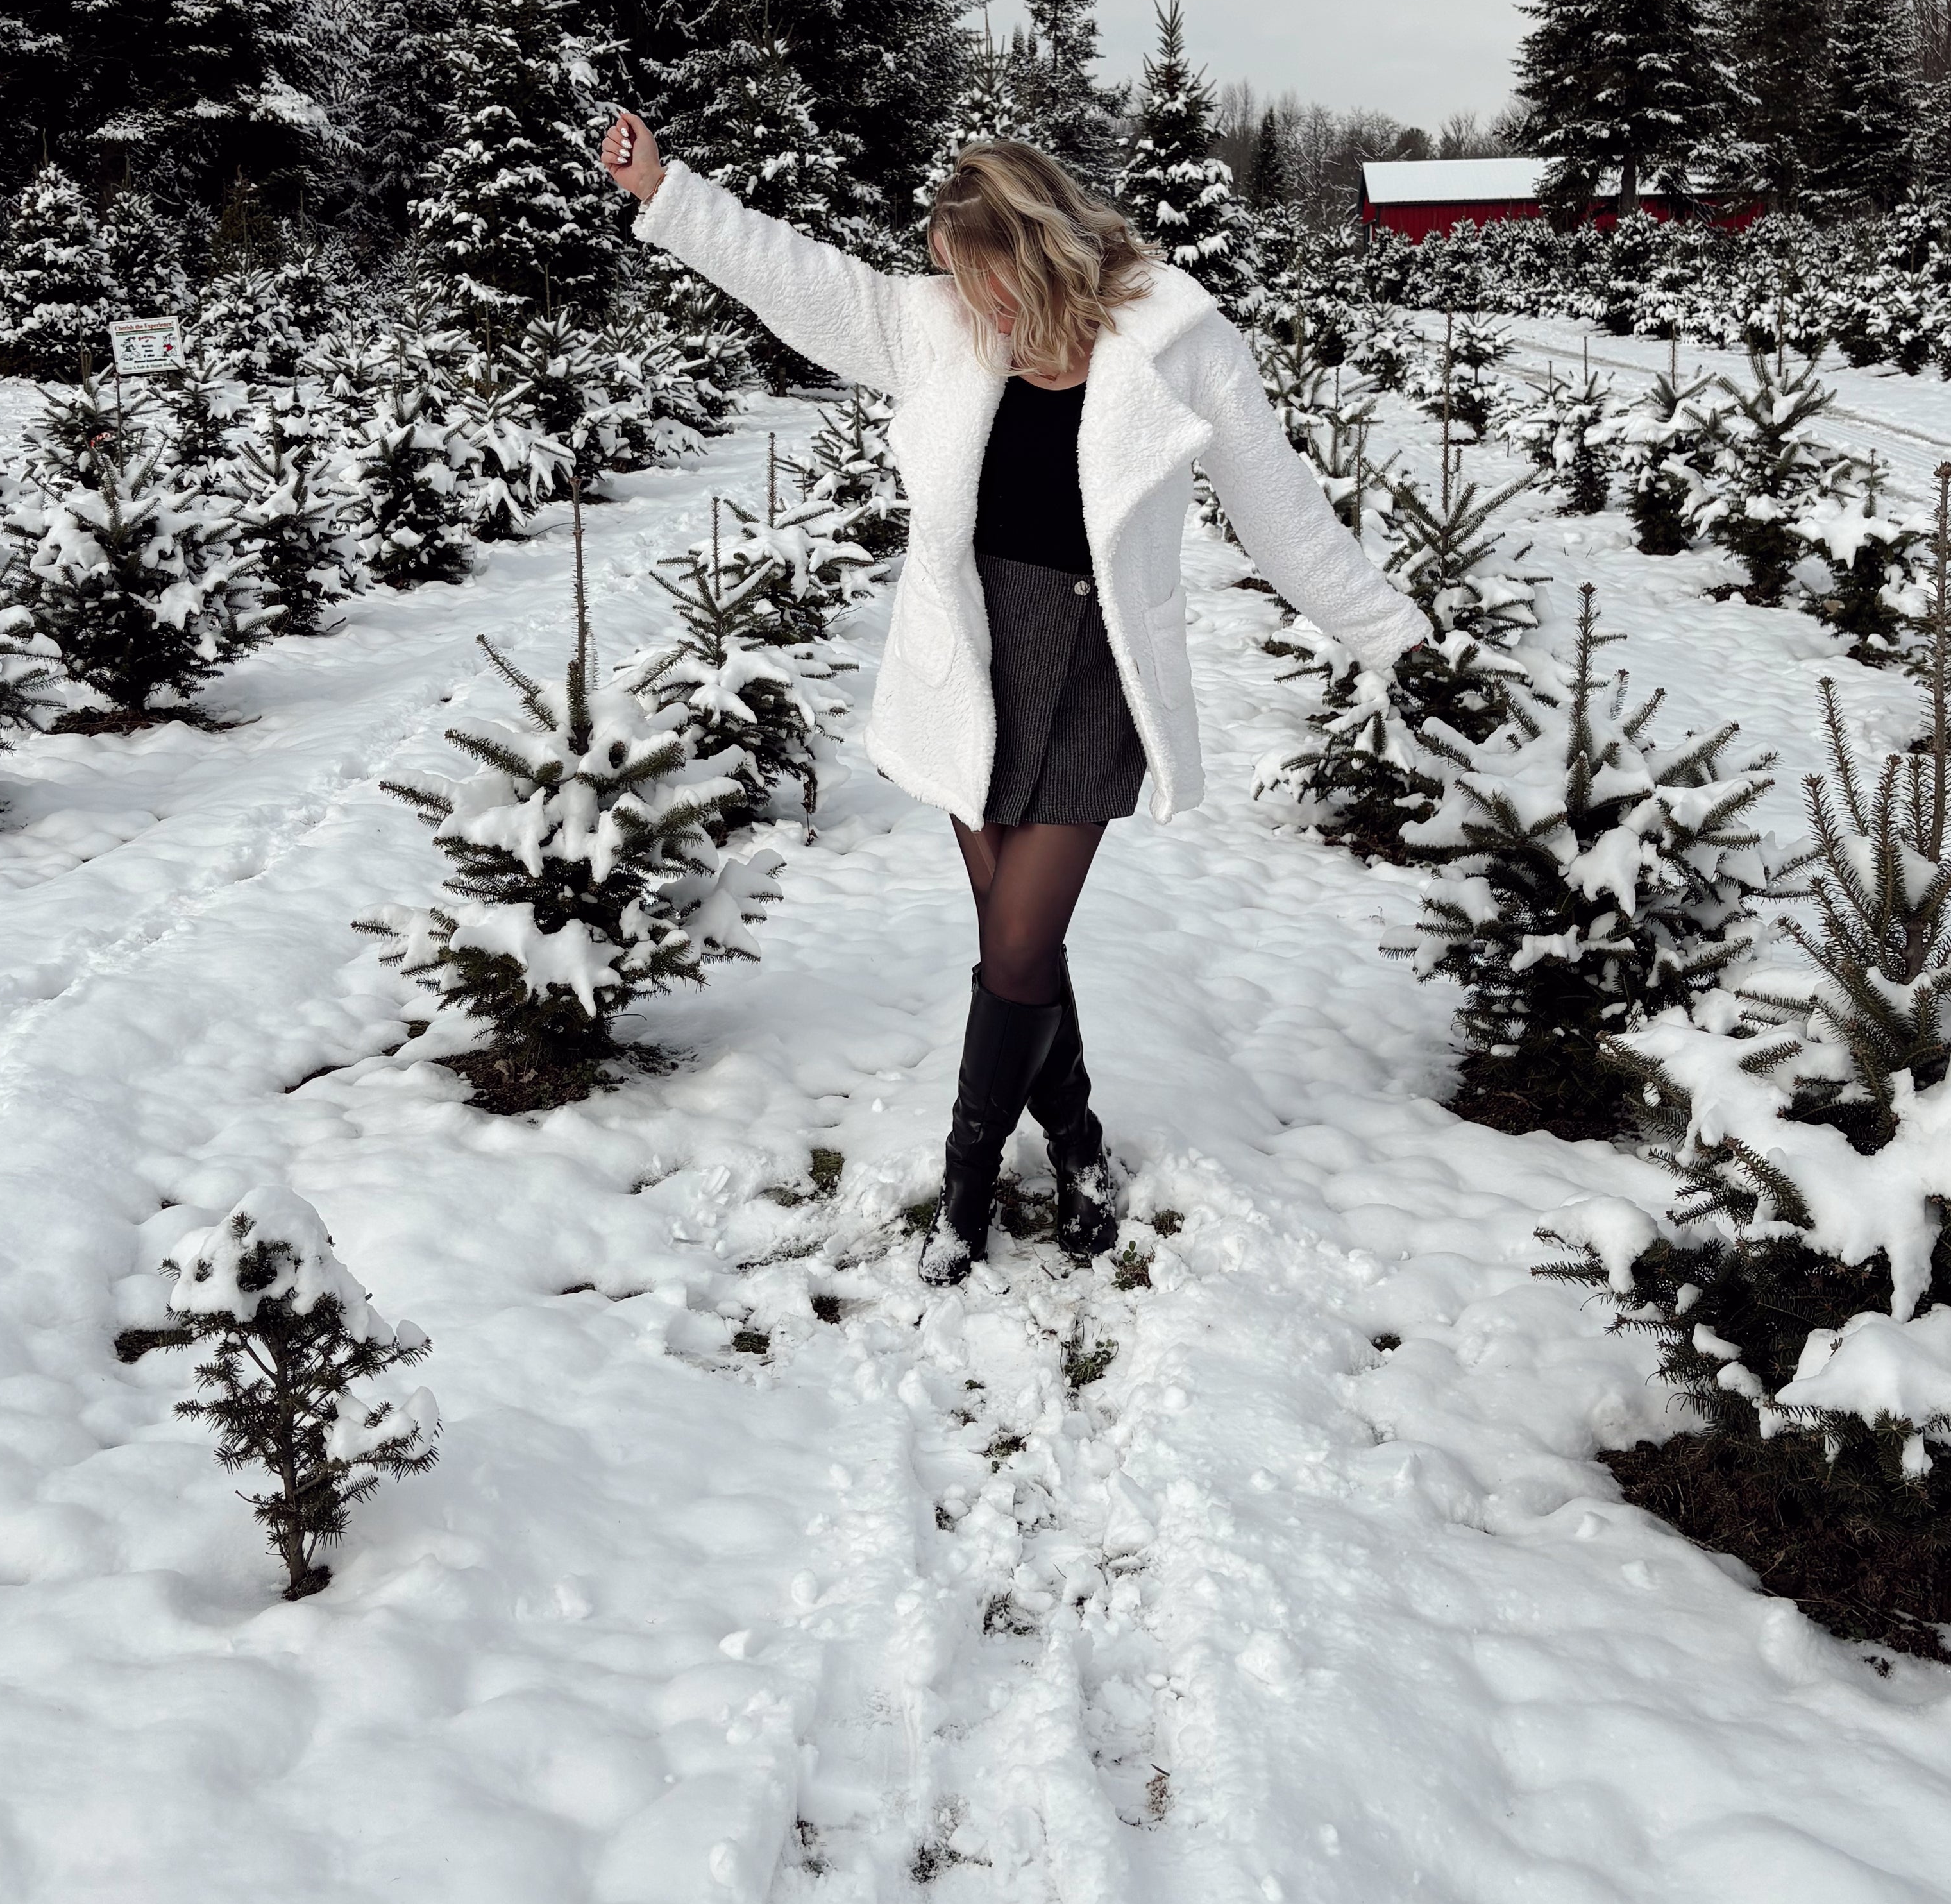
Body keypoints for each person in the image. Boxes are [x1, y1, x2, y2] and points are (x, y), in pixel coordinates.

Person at [596, 110, 1425, 1286]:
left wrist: (1391, 633)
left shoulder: (1179, 340)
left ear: (1039, 256)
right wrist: (665, 191)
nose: (969, 303)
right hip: (974, 662)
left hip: (1094, 666)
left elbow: (1279, 509)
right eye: (954, 281)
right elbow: (795, 276)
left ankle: (967, 1182)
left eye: (983, 281)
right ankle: (1076, 1142)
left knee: (1023, 938)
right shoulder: (935, 326)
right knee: (1013, 947)